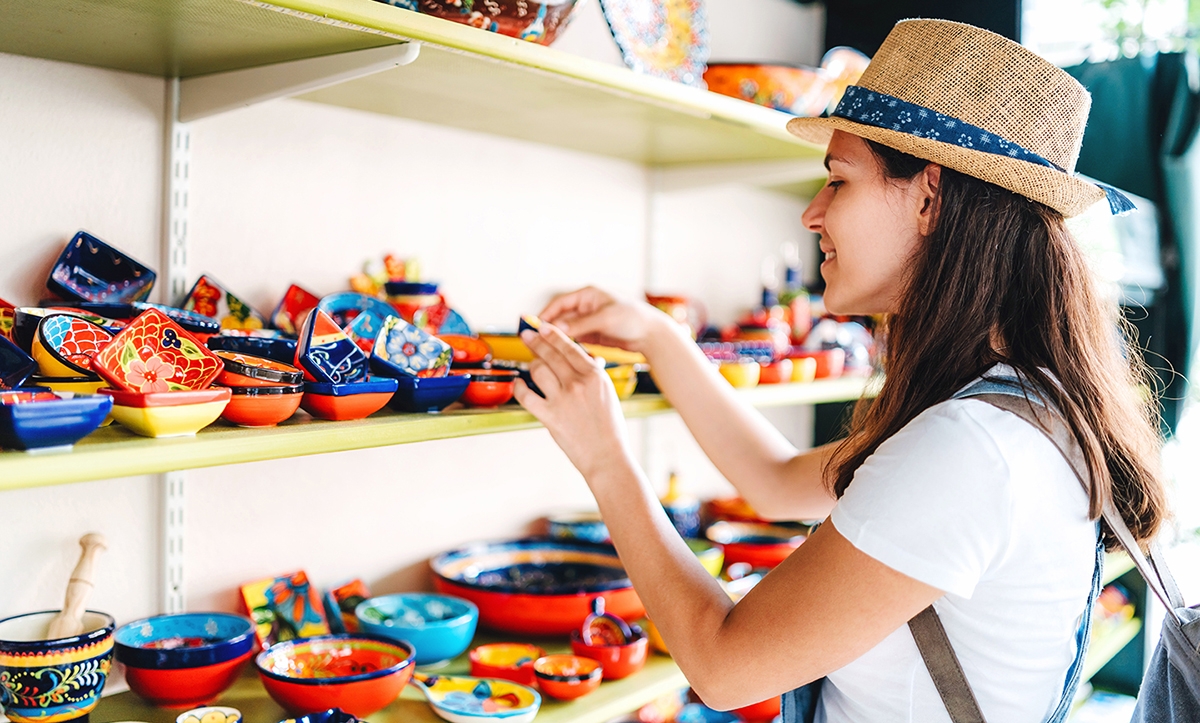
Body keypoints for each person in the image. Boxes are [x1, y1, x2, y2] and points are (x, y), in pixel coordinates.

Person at [512, 19, 1169, 723]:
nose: (812, 212)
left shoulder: (971, 449)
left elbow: (723, 664)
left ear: (928, 198)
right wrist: (659, 336)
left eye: (838, 179)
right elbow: (774, 480)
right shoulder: (1026, 406)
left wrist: (606, 457)